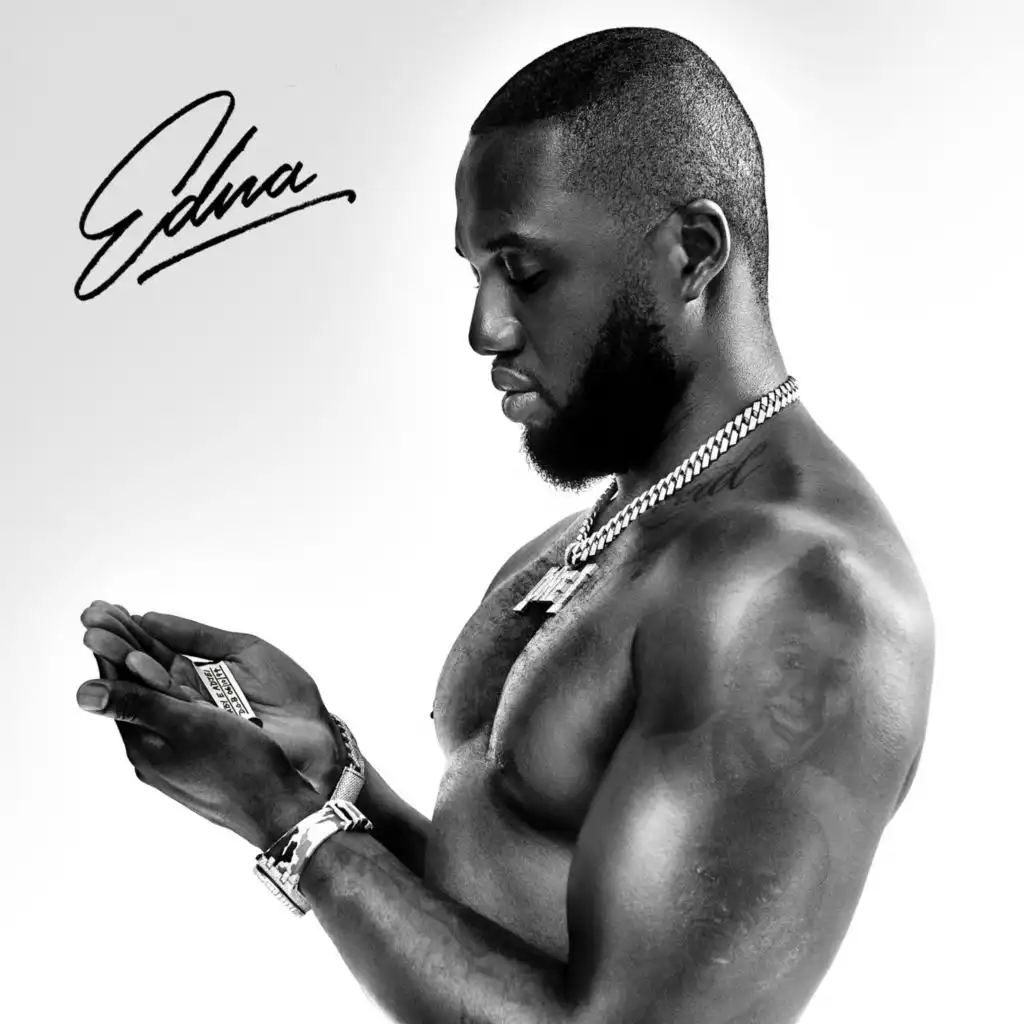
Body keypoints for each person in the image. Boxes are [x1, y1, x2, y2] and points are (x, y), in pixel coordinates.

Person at [76, 27, 934, 1024]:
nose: (484, 327)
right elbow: (511, 916)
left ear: (694, 253)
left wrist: (284, 819)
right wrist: (325, 775)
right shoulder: (606, 530)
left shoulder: (802, 594)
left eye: (523, 271)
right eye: (476, 270)